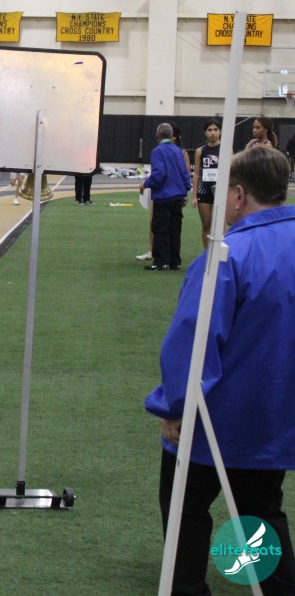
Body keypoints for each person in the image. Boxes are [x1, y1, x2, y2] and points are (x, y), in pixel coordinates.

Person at [145, 145, 295, 595]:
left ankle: (188, 587)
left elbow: (195, 338)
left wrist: (176, 405)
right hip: (276, 414)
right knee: (262, 508)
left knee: (186, 507)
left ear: (239, 194)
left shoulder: (228, 256)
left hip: (217, 417)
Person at [140, 122, 191, 271]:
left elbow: (159, 174)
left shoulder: (157, 152)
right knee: (174, 229)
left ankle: (161, 261)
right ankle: (175, 261)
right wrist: (185, 192)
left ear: (157, 135)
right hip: (177, 196)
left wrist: (146, 184)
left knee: (160, 229)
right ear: (171, 135)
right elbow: (185, 173)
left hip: (163, 196)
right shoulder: (179, 151)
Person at [191, 119, 221, 250]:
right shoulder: (200, 150)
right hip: (204, 190)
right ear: (205, 132)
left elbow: (231, 171)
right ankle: (207, 254)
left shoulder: (225, 149)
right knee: (206, 224)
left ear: (220, 132)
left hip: (220, 190)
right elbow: (196, 173)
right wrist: (194, 196)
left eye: (215, 130)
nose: (213, 133)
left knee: (219, 225)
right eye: (210, 130)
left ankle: (219, 253)